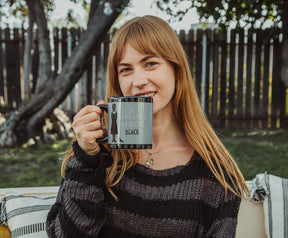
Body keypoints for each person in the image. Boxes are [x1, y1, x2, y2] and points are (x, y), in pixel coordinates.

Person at [46, 15, 249, 238]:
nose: (138, 80)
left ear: (176, 69)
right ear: (118, 81)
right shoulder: (96, 157)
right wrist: (86, 158)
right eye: (126, 69)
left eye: (150, 63)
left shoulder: (216, 174)